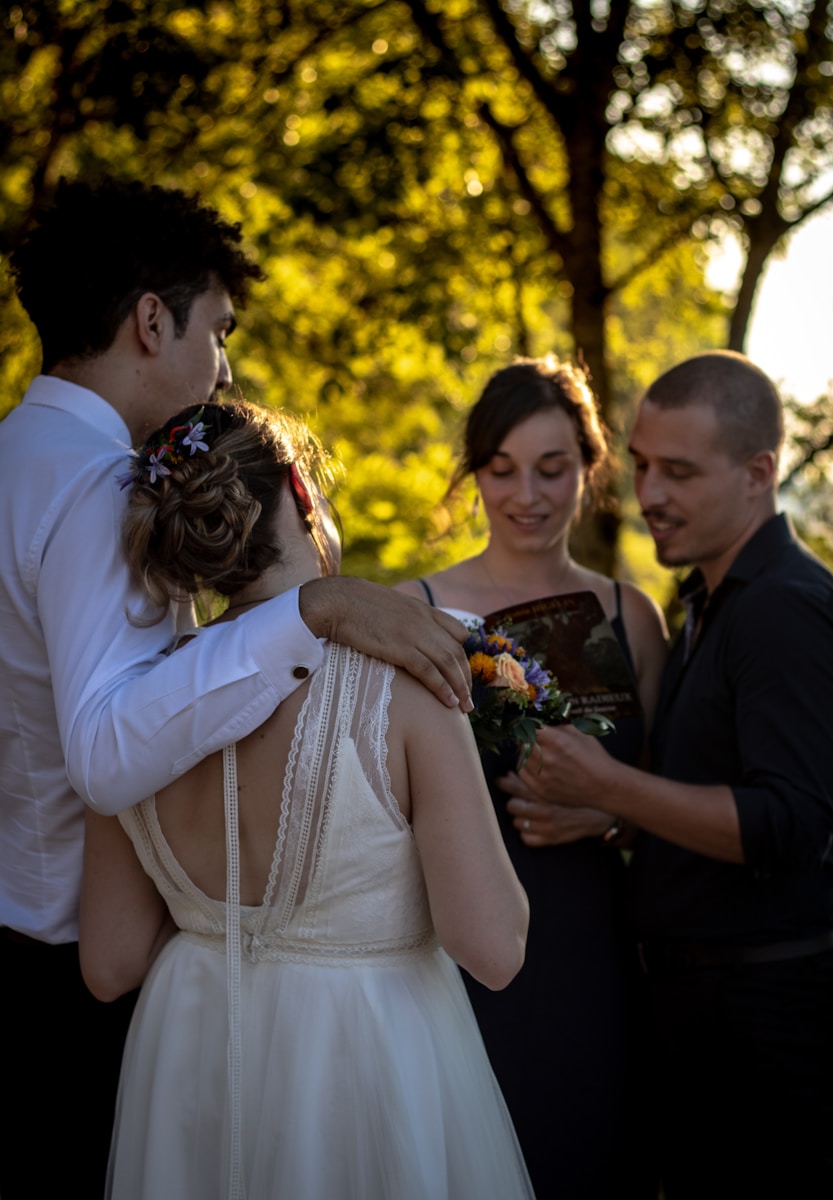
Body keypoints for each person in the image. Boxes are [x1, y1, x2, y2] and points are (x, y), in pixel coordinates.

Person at [0, 177, 471, 1199]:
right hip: (65, 975)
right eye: (218, 332)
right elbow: (105, 747)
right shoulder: (93, 487)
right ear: (150, 321)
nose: (222, 369)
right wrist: (307, 613)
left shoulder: (13, 458)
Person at [78, 398, 533, 1200]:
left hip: (191, 1057)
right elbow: (492, 948)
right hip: (365, 1056)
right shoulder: (408, 682)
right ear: (301, 489)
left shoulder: (133, 714)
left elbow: (111, 965)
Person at [501, 350, 833, 1200]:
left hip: (762, 1013)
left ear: (758, 472)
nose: (649, 493)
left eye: (678, 471)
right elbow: (710, 797)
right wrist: (609, 822)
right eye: (638, 466)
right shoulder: (711, 600)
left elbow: (787, 825)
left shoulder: (782, 607)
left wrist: (607, 787)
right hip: (703, 1006)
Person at [396, 355, 669, 1199]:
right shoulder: (417, 608)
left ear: (588, 471)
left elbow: (667, 798)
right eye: (501, 469)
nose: (526, 495)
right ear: (473, 473)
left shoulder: (629, 615)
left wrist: (610, 818)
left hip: (596, 954)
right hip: (459, 955)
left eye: (552, 469)